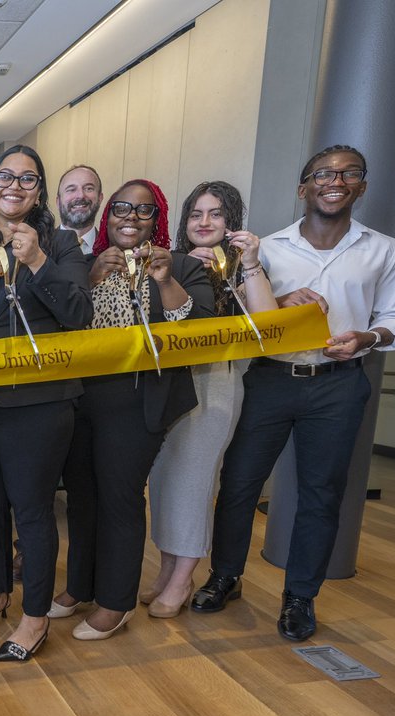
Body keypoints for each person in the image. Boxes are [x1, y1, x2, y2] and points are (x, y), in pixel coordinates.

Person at [198, 145, 395, 641]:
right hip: (270, 380)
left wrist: (368, 338)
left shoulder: (385, 250)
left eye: (348, 174)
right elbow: (247, 318)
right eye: (323, 174)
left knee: (320, 495)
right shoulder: (267, 248)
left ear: (361, 186)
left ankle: (300, 597)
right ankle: (225, 576)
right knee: (238, 485)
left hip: (338, 387)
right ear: (304, 187)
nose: (334, 181)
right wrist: (279, 303)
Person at [0, 144, 93, 662]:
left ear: (39, 191)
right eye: (4, 176)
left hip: (39, 404)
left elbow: (79, 318)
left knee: (31, 510)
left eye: (28, 179)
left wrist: (38, 263)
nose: (14, 185)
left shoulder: (64, 245)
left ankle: (34, 617)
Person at [52, 179, 215, 641]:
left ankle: (116, 602)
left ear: (157, 219)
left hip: (139, 401)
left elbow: (199, 331)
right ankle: (80, 587)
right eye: (121, 208)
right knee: (82, 496)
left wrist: (165, 280)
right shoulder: (83, 263)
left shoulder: (184, 264)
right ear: (108, 215)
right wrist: (86, 280)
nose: (130, 217)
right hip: (81, 397)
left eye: (143, 211)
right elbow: (59, 322)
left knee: (119, 497)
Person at [141, 181, 277, 617]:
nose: (204, 222)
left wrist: (242, 267)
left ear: (232, 220)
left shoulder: (244, 264)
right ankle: (166, 570)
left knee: (194, 482)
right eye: (196, 214)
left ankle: (183, 578)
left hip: (215, 381)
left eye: (215, 214)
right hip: (166, 381)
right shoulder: (172, 261)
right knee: (163, 479)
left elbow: (268, 323)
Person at [55, 165, 105, 253]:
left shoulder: (110, 249)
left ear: (100, 198)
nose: (80, 195)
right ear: (58, 202)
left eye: (89, 189)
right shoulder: (39, 247)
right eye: (71, 189)